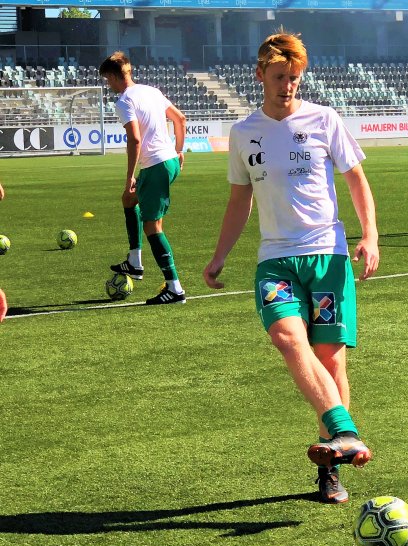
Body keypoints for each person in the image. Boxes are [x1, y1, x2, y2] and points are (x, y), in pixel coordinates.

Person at [203, 32, 379, 504]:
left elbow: (355, 178)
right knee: (286, 338)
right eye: (280, 78)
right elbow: (239, 199)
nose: (288, 86)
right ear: (260, 75)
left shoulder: (324, 119)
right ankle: (344, 430)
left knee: (330, 359)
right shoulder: (244, 133)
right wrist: (220, 255)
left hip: (328, 254)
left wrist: (370, 234)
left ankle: (332, 466)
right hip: (275, 259)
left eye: (294, 78)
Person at [99, 51, 188, 305]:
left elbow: (135, 139)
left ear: (116, 76)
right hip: (167, 161)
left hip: (156, 165)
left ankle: (175, 288)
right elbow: (180, 120)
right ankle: (134, 261)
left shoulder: (125, 101)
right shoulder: (151, 91)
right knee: (129, 200)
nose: (109, 85)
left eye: (108, 80)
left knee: (153, 226)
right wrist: (179, 150)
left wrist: (129, 176)